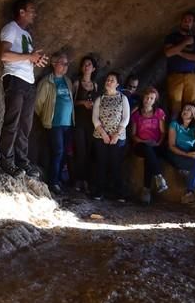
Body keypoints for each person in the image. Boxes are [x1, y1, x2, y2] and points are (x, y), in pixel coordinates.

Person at [0, 0, 48, 178]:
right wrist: (29, 56)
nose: (34, 13)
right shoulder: (11, 28)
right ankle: (7, 162)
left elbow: (27, 58)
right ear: (21, 12)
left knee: (25, 125)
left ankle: (22, 161)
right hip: (15, 80)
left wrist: (35, 60)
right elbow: (4, 55)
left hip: (28, 81)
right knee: (12, 122)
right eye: (31, 10)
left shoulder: (27, 35)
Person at [35, 52, 75, 195]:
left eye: (67, 64)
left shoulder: (68, 81)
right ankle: (53, 182)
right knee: (57, 152)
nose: (66, 66)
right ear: (54, 64)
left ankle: (58, 178)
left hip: (68, 123)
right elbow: (38, 104)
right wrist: (46, 118)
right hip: (55, 123)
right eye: (63, 63)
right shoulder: (47, 82)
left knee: (64, 152)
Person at [91, 72, 131, 201]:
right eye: (108, 80)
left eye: (112, 80)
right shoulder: (100, 98)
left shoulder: (122, 98)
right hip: (100, 136)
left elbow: (126, 118)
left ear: (117, 84)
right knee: (100, 164)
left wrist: (116, 134)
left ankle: (119, 193)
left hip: (117, 137)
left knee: (116, 164)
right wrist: (103, 134)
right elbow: (95, 118)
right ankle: (99, 191)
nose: (109, 82)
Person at [130, 87, 168, 204]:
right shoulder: (136, 113)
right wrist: (143, 141)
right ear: (143, 98)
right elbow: (133, 135)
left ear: (155, 100)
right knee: (147, 150)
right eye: (147, 97)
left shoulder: (159, 113)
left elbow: (162, 132)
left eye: (152, 98)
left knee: (150, 155)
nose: (148, 100)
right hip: (140, 144)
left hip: (155, 145)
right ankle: (158, 177)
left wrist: (158, 143)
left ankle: (146, 190)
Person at [164, 11, 195, 119]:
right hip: (175, 75)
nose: (187, 23)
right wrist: (185, 43)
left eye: (189, 21)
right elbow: (168, 53)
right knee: (174, 107)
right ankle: (173, 133)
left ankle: (189, 133)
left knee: (191, 107)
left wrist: (178, 51)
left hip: (191, 76)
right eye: (185, 20)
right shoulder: (171, 37)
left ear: (193, 24)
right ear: (180, 22)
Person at [72, 56, 99, 193]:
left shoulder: (95, 85)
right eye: (84, 64)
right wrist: (83, 103)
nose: (86, 66)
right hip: (79, 121)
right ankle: (78, 180)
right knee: (80, 151)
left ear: (93, 68)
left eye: (89, 64)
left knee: (89, 151)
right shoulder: (77, 83)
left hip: (91, 123)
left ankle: (87, 181)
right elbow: (71, 102)